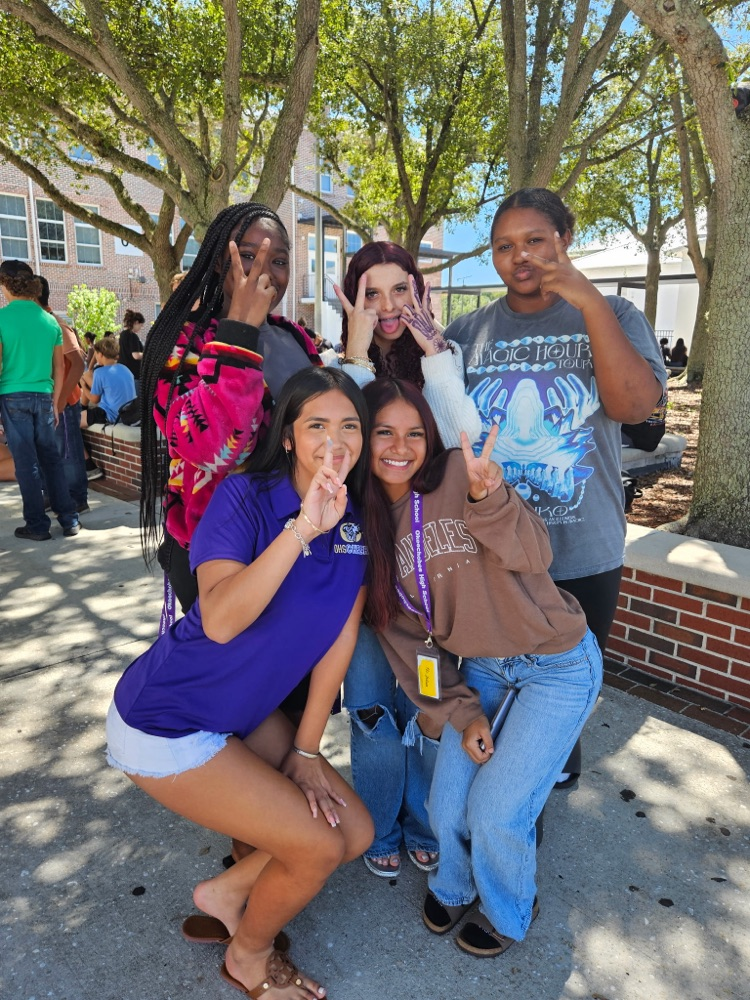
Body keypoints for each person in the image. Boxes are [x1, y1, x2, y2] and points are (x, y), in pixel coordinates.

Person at [107, 366, 373, 998]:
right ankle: (249, 958)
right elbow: (222, 619)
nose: (335, 441)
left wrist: (307, 753)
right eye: (316, 425)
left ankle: (225, 891)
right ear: (286, 435)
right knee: (315, 848)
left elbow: (339, 641)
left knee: (355, 833)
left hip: (241, 716)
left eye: (349, 426)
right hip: (167, 718)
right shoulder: (243, 497)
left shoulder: (357, 518)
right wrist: (302, 528)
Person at [362, 377, 602, 956]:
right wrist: (460, 711)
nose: (401, 446)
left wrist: (490, 498)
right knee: (445, 804)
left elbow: (536, 554)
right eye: (384, 432)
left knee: (496, 812)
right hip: (489, 671)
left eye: (415, 432)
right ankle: (454, 884)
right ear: (363, 441)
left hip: (558, 665)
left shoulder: (457, 476)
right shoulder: (368, 531)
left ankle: (509, 908)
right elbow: (413, 643)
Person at [439, 188, 666, 787]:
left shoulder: (614, 314)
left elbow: (636, 405)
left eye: (535, 240)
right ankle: (502, 807)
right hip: (493, 551)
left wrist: (588, 301)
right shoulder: (469, 329)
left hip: (580, 547)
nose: (520, 256)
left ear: (564, 238)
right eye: (504, 246)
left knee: (562, 700)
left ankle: (539, 784)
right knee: (494, 699)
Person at [333, 242, 480, 877]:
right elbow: (342, 450)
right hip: (361, 580)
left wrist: (437, 360)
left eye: (401, 289)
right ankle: (377, 826)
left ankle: (422, 821)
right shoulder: (337, 367)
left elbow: (466, 445)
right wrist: (356, 352)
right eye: (371, 293)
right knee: (369, 714)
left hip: (427, 581)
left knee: (427, 712)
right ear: (352, 300)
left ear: (420, 292)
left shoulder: (443, 362)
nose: (389, 306)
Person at [139, 201, 321, 615]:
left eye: (278, 260)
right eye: (248, 256)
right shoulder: (180, 342)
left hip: (293, 539)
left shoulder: (296, 339)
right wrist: (239, 333)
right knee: (237, 677)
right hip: (214, 550)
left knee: (294, 678)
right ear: (221, 263)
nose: (264, 270)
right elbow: (209, 448)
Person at [0, 260, 79, 541]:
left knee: (26, 464)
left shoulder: (1, 318)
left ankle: (37, 524)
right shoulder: (49, 320)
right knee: (51, 460)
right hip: (44, 397)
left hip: (12, 397)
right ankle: (69, 519)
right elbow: (59, 368)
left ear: (5, 284)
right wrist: (56, 402)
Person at [36, 275, 89, 512]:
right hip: (46, 401)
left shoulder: (56, 324)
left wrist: (60, 402)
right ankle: (51, 495)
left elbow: (77, 365)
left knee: (69, 454)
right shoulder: (38, 324)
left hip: (64, 402)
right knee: (46, 453)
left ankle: (78, 499)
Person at [80, 336, 136, 428]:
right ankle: (83, 409)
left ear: (100, 354)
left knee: (73, 420)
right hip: (128, 414)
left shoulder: (100, 372)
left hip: (111, 415)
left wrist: (83, 386)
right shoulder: (125, 368)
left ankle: (83, 408)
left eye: (96, 353)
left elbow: (94, 400)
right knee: (87, 377)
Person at [117, 309, 146, 381]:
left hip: (122, 371)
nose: (141, 328)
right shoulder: (133, 336)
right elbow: (136, 355)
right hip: (133, 373)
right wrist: (148, 354)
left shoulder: (123, 334)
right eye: (141, 325)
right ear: (136, 322)